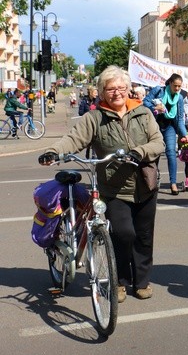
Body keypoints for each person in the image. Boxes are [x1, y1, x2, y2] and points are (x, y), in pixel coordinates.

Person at [39, 65, 165, 303]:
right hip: (114, 189)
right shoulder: (94, 118)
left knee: (144, 236)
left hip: (146, 184)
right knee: (123, 234)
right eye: (110, 88)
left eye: (121, 87)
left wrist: (140, 152)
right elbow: (74, 139)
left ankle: (142, 282)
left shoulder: (143, 113)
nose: (116, 92)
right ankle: (119, 281)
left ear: (128, 89)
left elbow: (158, 142)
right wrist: (53, 152)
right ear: (102, 91)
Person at [143, 74, 188, 196]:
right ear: (170, 83)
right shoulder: (159, 90)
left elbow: (179, 119)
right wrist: (154, 107)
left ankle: (173, 183)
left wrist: (185, 135)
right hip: (155, 126)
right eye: (175, 86)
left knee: (171, 152)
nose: (177, 89)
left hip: (170, 127)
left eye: (179, 86)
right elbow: (144, 102)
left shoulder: (179, 98)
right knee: (154, 154)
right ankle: (152, 180)